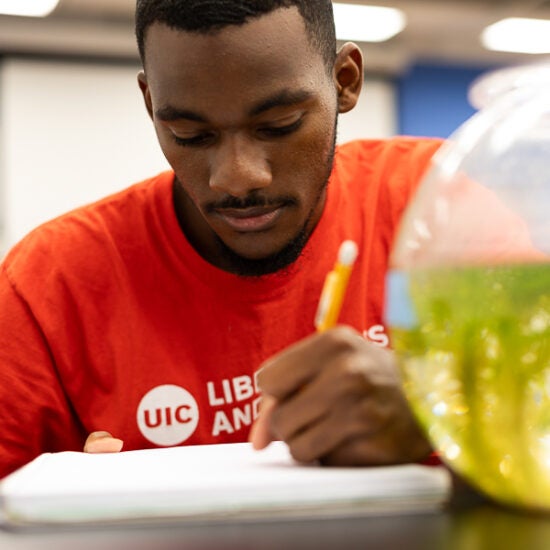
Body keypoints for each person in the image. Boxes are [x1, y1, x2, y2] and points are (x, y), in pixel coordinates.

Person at [0, 0, 441, 479]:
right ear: (151, 103)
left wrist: (441, 411)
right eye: (190, 134)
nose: (237, 179)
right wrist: (58, 515)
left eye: (278, 126)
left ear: (345, 80)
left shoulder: (447, 203)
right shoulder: (49, 284)